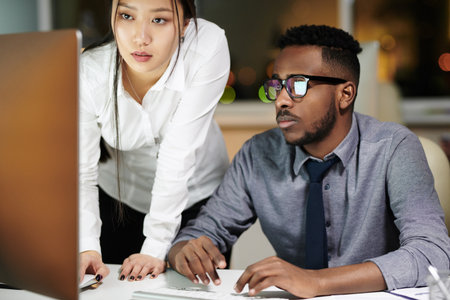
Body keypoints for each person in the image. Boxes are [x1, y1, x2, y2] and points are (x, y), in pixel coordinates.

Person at [168, 24, 450, 298]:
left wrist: (315, 281)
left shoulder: (393, 148)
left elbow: (433, 254)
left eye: (298, 85)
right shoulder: (257, 154)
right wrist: (185, 251)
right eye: (277, 85)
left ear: (345, 94)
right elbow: (202, 232)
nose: (281, 100)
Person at [78, 0, 230, 283]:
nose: (140, 37)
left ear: (185, 24)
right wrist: (86, 245)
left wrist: (156, 246)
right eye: (126, 16)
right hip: (121, 196)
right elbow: (82, 171)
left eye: (159, 20)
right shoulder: (90, 72)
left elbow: (178, 153)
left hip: (198, 194)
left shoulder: (205, 46)